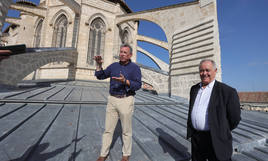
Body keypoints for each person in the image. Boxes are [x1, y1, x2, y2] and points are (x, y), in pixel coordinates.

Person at [187, 59, 241, 161]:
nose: (204, 73)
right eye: (201, 70)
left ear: (215, 71)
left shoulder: (227, 91)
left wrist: (221, 130)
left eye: (207, 70)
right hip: (197, 139)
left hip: (217, 139)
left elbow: (235, 119)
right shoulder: (194, 89)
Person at [95, 44, 142, 161]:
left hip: (126, 100)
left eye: (125, 52)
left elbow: (138, 85)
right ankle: (103, 154)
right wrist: (99, 65)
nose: (122, 54)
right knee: (108, 129)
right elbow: (100, 76)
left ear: (130, 55)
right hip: (112, 100)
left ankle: (126, 154)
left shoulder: (135, 68)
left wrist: (125, 81)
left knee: (126, 130)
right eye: (121, 52)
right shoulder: (113, 66)